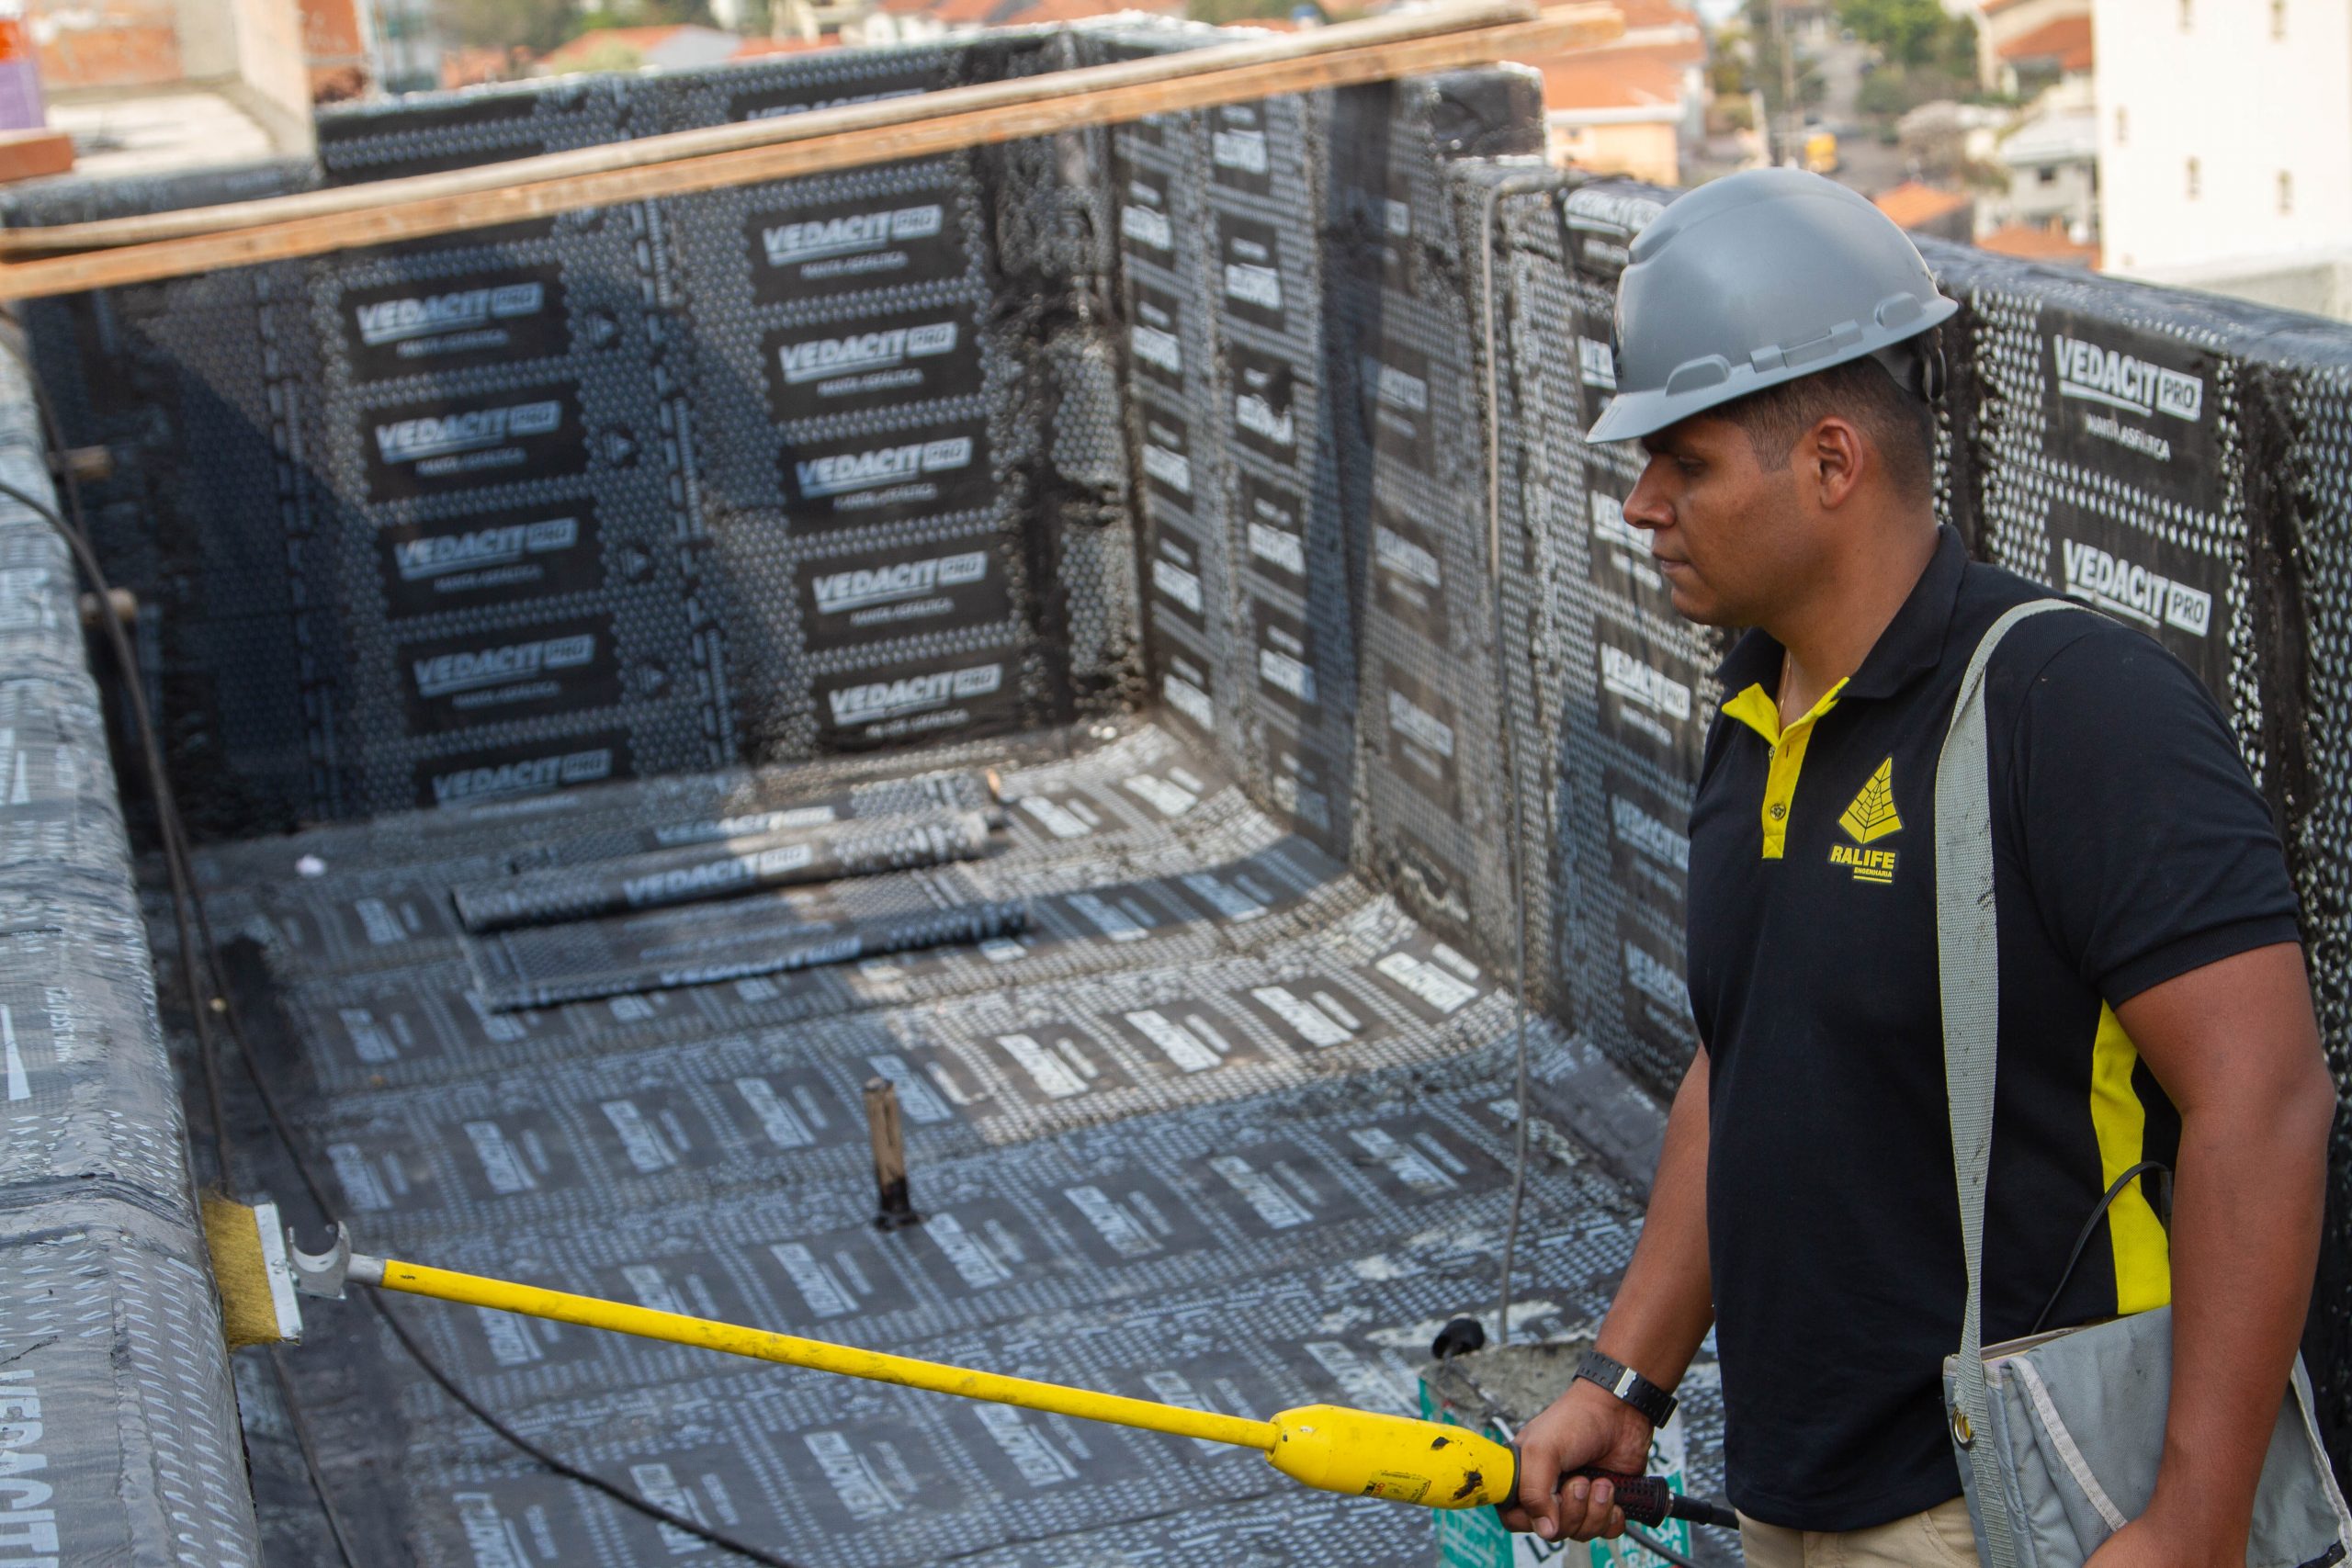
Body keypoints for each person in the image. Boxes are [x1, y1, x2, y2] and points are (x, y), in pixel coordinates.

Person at [1497, 168, 2335, 1566]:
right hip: (1790, 1503)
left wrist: (2195, 1519)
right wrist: (1625, 1381)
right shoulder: (1761, 712)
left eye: (1685, 462)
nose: (1642, 503)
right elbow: (1749, 1054)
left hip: (2021, 1509)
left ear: (1833, 462)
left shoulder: (2071, 709)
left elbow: (2265, 1098)